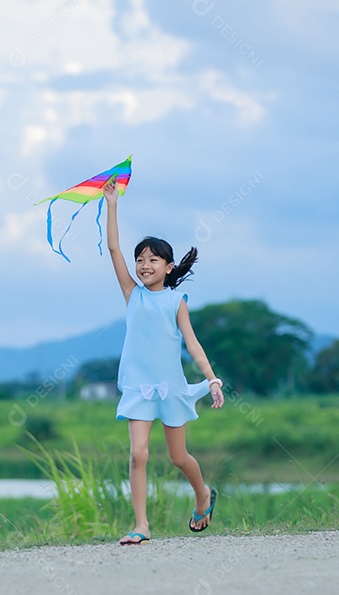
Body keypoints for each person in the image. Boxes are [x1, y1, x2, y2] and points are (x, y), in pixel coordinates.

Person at [102, 178, 226, 546]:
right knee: (137, 454)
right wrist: (111, 204)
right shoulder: (132, 295)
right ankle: (141, 525)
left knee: (178, 458)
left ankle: (202, 495)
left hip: (170, 387)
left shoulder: (176, 301)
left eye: (152, 260)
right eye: (140, 259)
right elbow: (112, 249)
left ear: (168, 267)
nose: (143, 265)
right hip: (139, 388)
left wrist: (212, 378)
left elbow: (193, 344)